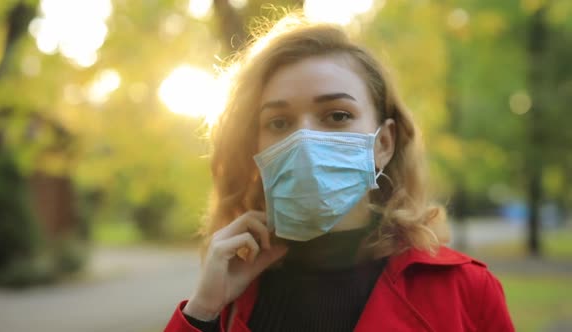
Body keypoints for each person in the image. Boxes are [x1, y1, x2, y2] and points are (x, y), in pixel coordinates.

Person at [164, 14, 514, 332]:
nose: (305, 140)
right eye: (279, 122)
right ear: (255, 149)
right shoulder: (231, 291)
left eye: (337, 116)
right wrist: (203, 312)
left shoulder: (465, 291)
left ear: (384, 143)